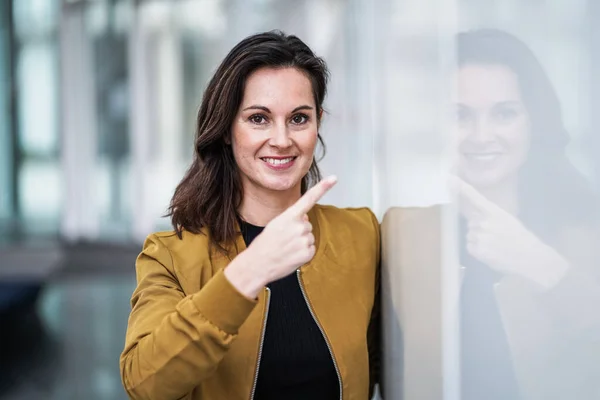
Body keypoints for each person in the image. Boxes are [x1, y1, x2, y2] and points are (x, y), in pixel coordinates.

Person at [119, 30, 381, 400]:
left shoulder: (362, 234)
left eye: (299, 118)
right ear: (227, 129)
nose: (281, 139)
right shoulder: (170, 256)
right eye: (258, 119)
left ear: (318, 123)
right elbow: (145, 383)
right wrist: (251, 269)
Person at [454, 29, 600, 400]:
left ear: (534, 120)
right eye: (460, 115)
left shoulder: (586, 225)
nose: (481, 135)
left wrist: (537, 262)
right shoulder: (408, 234)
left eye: (504, 113)